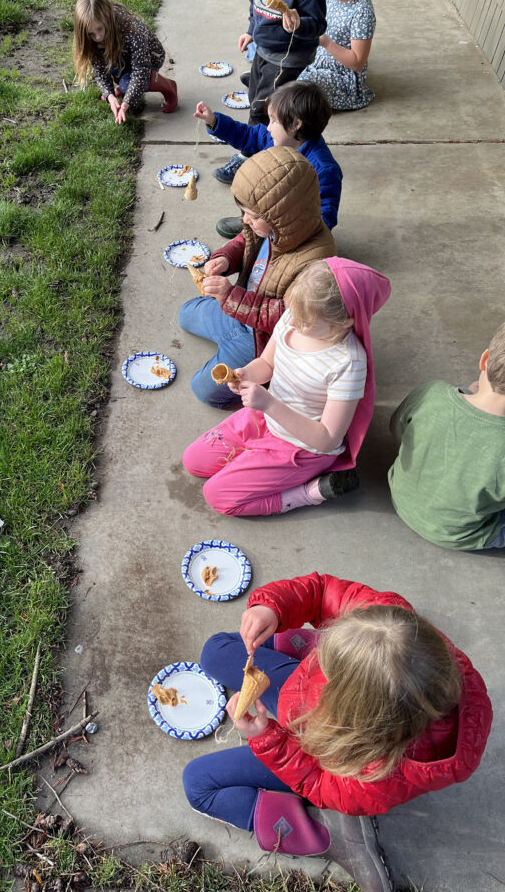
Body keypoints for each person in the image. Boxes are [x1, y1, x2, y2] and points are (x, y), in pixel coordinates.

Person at [182, 572, 493, 892]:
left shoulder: (378, 775)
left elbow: (317, 782)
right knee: (216, 651)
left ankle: (329, 834)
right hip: (309, 695)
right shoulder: (394, 631)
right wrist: (273, 608)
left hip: (316, 757)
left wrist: (267, 738)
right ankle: (323, 651)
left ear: (353, 722)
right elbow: (322, 591)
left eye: (330, 660)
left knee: (198, 784)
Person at [183, 258, 390, 515]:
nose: (291, 323)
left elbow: (327, 439)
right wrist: (246, 374)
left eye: (304, 322)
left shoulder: (347, 363)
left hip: (300, 446)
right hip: (263, 418)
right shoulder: (293, 317)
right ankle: (253, 463)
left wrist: (269, 404)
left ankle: (307, 493)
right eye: (293, 312)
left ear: (345, 322)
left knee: (217, 496)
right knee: (193, 462)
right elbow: (266, 364)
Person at [180, 146, 336, 409]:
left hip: (262, 339)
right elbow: (245, 241)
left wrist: (230, 297)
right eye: (243, 212)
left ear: (281, 217)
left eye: (251, 216)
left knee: (204, 391)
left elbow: (289, 317)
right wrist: (226, 258)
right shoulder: (267, 227)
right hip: (238, 311)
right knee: (185, 314)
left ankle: (264, 375)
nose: (244, 220)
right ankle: (227, 340)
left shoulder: (315, 262)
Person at [213, 0, 326, 182]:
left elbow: (319, 25)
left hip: (289, 56)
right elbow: (256, 2)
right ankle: (260, 85)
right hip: (263, 47)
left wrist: (300, 23)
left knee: (263, 107)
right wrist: (251, 30)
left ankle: (248, 156)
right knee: (256, 91)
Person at [388, 321, 505, 551]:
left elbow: (397, 429)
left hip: (402, 499)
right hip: (464, 533)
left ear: (484, 360)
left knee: (468, 391)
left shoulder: (431, 393)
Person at [195, 80, 342, 236]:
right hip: (268, 212)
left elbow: (324, 215)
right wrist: (214, 121)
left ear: (295, 124)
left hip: (293, 231)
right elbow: (245, 135)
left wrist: (294, 238)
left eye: (274, 120)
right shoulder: (274, 139)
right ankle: (251, 222)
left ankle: (260, 229)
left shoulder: (323, 170)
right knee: (251, 181)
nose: (269, 127)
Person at [72, 0, 177, 123]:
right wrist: (110, 96)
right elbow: (100, 71)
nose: (97, 37)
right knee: (121, 81)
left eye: (99, 29)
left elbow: (141, 70)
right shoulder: (92, 38)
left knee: (127, 85)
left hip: (149, 60)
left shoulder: (131, 29)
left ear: (107, 18)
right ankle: (124, 84)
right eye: (91, 34)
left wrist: (126, 103)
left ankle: (168, 87)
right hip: (122, 58)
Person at [298, 0, 376, 110]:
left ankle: (277, 88)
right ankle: (269, 81)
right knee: (282, 51)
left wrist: (326, 43)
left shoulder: (362, 12)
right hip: (317, 62)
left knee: (303, 87)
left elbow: (357, 62)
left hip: (342, 78)